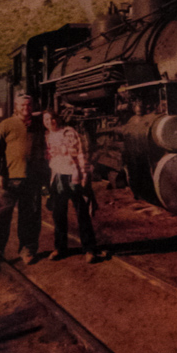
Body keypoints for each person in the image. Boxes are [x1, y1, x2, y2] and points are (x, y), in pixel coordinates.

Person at [0, 94, 47, 273]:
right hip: (9, 179)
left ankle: (27, 251)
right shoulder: (6, 125)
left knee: (31, 217)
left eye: (29, 104)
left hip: (32, 179)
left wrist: (44, 177)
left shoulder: (38, 125)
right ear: (16, 107)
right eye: (22, 105)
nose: (26, 108)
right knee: (1, 218)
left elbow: (44, 150)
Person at [43, 111, 99, 263]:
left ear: (58, 119)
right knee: (58, 215)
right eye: (46, 119)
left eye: (52, 118)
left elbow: (80, 152)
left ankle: (89, 249)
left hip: (73, 177)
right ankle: (60, 248)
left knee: (82, 214)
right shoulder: (47, 136)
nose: (50, 122)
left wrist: (85, 175)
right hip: (57, 178)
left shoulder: (68, 132)